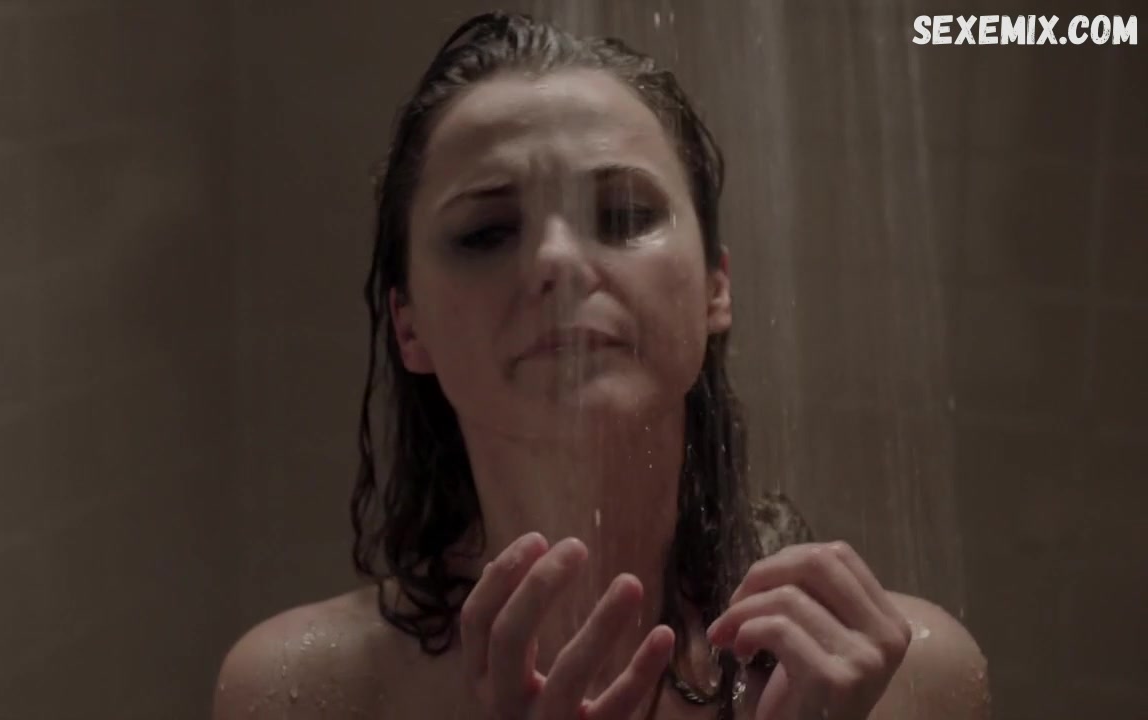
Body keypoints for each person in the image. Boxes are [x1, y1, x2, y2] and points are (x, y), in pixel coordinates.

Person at [214, 11, 989, 720]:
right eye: (487, 233)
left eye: (621, 216)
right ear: (408, 327)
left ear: (715, 289)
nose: (557, 260)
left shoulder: (903, 678)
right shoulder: (304, 692)